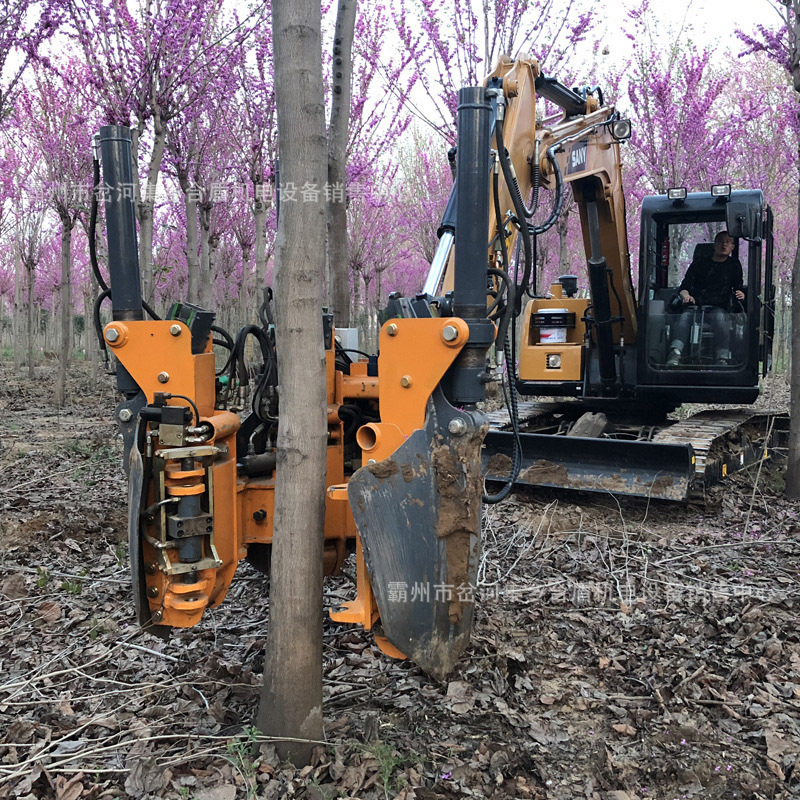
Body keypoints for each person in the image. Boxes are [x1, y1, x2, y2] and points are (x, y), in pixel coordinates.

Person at [665, 230, 745, 367]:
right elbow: (684, 287)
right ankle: (675, 353)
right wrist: (686, 296)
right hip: (695, 306)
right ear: (714, 245)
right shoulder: (699, 264)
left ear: (733, 247)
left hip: (719, 308)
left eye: (728, 242)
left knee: (720, 319)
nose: (724, 245)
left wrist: (741, 294)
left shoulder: (734, 265)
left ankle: (722, 357)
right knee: (684, 319)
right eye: (720, 241)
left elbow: (738, 287)